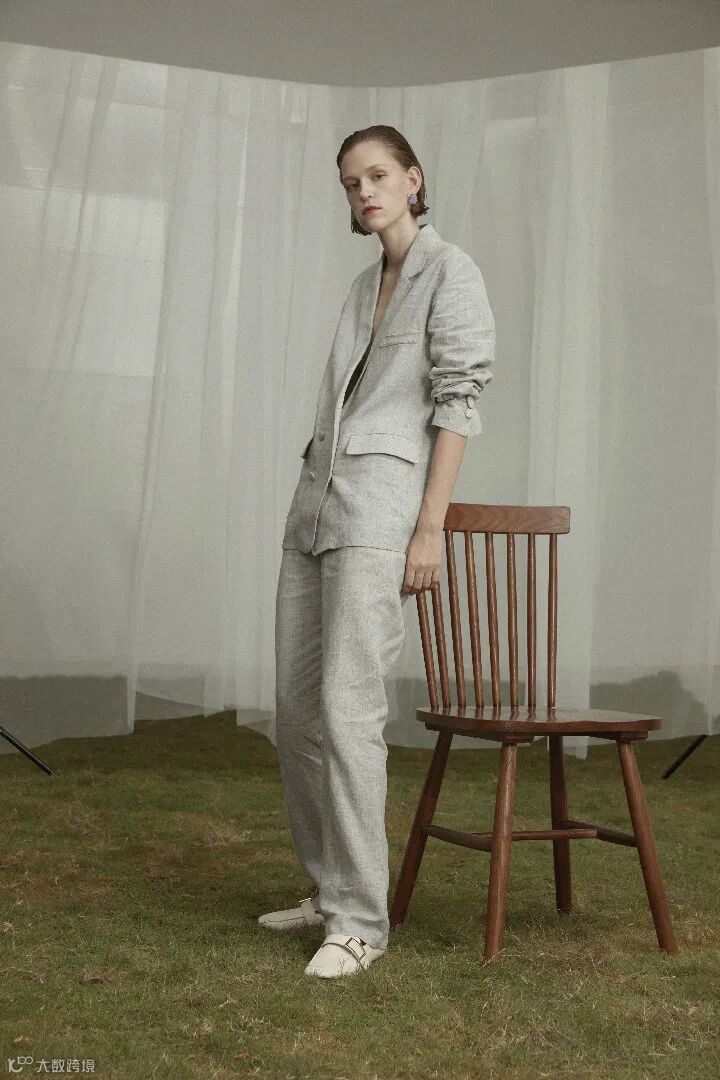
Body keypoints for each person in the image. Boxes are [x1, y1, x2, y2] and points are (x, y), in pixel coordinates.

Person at [260, 125, 496, 978]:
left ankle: (360, 922)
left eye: (378, 175)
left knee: (349, 710)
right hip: (314, 505)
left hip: (380, 513)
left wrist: (429, 527)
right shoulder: (364, 285)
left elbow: (458, 401)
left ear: (413, 179)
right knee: (296, 712)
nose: (364, 192)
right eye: (351, 183)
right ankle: (328, 887)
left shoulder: (451, 272)